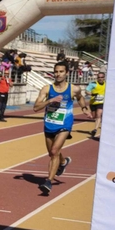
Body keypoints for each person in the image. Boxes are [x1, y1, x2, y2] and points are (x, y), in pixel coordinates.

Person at [33, 61, 88, 196]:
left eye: (61, 71)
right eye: (56, 71)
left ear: (67, 73)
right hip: (49, 123)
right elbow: (35, 108)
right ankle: (63, 162)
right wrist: (50, 101)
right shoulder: (46, 89)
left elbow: (80, 98)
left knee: (54, 150)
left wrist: (84, 108)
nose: (58, 74)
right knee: (53, 154)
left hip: (65, 123)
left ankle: (48, 181)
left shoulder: (73, 89)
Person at [86, 70, 106, 140]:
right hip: (93, 103)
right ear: (97, 78)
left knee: (98, 115)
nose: (100, 78)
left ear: (104, 78)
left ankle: (95, 129)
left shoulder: (107, 84)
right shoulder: (93, 84)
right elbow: (87, 91)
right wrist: (91, 94)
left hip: (101, 103)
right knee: (94, 116)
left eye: (102, 77)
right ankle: (92, 117)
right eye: (99, 77)